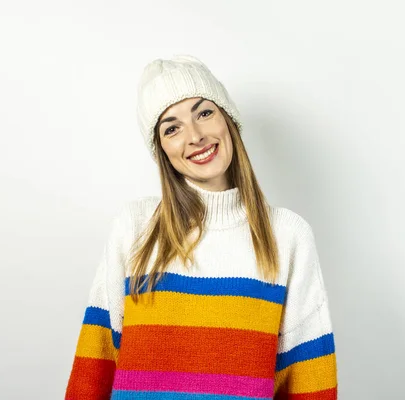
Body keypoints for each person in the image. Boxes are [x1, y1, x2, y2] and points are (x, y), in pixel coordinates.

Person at [64, 54, 338, 400]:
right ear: (162, 149)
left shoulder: (288, 236)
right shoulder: (135, 228)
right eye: (172, 128)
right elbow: (95, 364)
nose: (194, 136)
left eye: (204, 113)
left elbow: (310, 381)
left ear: (228, 120)